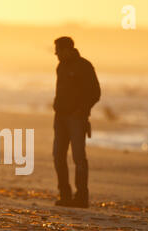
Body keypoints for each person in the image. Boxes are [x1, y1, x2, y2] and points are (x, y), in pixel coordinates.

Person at [52, 36, 100, 208]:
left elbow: (96, 93)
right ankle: (65, 195)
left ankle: (81, 197)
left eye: (58, 50)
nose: (56, 53)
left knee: (78, 157)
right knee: (58, 156)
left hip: (76, 119)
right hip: (60, 118)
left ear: (68, 49)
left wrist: (82, 110)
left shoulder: (84, 66)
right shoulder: (61, 66)